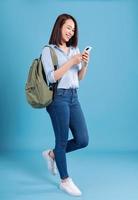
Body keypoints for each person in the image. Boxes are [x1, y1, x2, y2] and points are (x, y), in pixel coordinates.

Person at [41, 13, 91, 196]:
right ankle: (65, 180)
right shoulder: (49, 50)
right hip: (58, 99)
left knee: (83, 139)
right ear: (59, 27)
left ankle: (52, 155)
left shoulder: (74, 49)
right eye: (68, 27)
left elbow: (78, 78)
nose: (71, 31)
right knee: (61, 141)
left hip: (73, 97)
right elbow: (51, 77)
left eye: (73, 29)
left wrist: (85, 64)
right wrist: (71, 62)